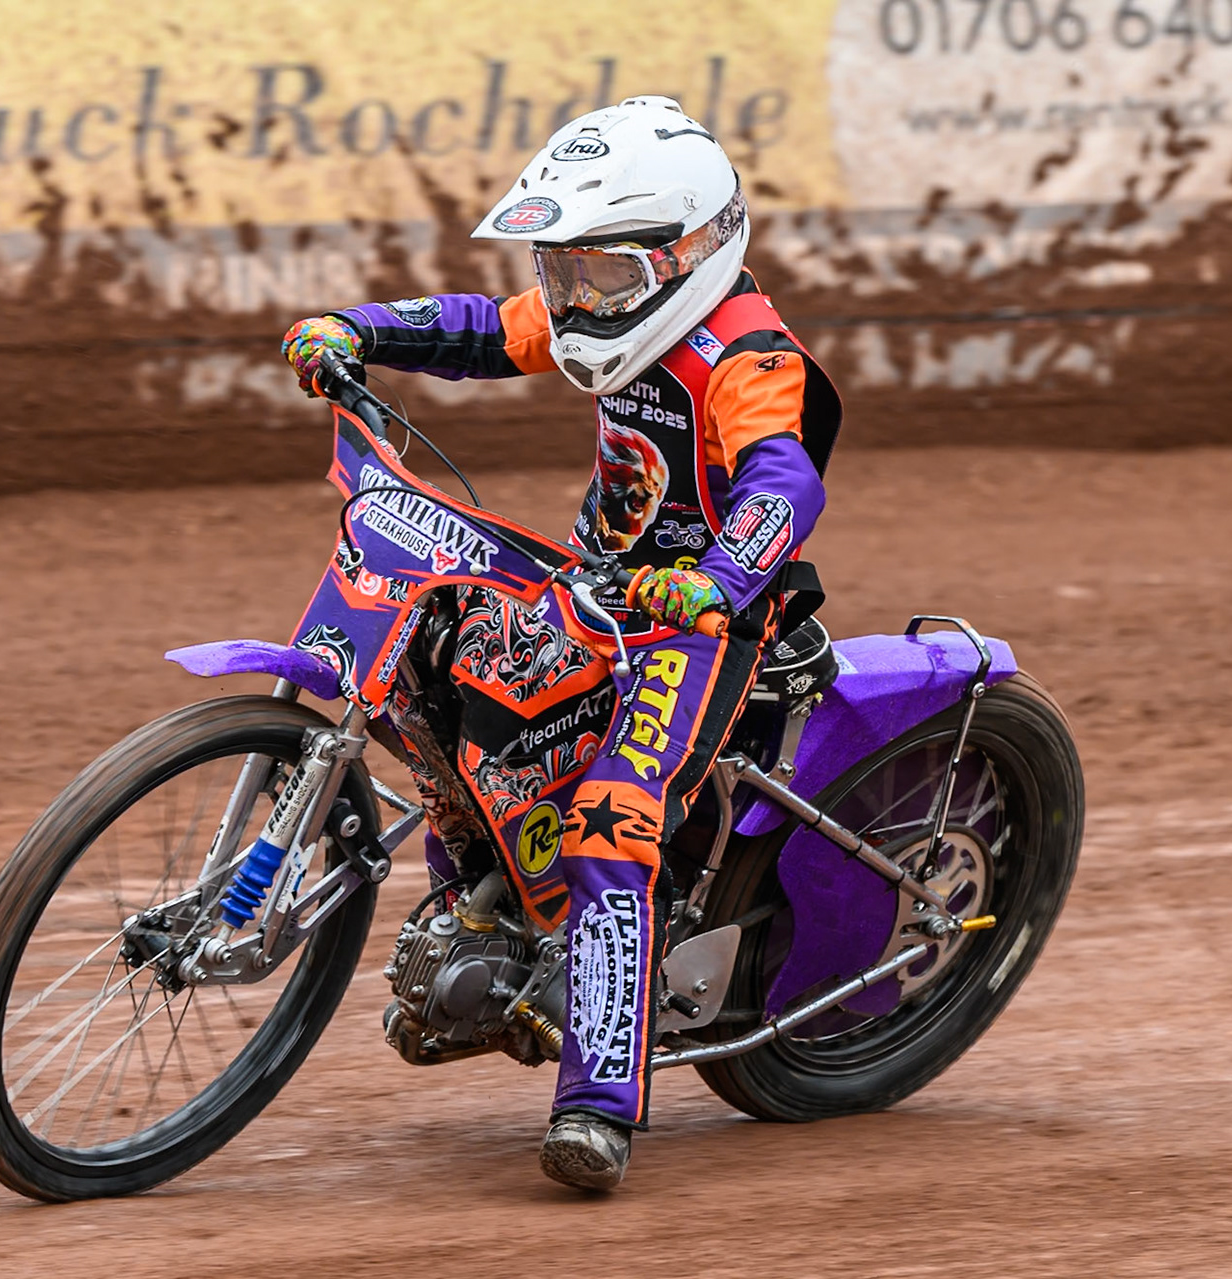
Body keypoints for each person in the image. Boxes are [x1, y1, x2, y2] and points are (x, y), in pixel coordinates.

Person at [280, 96, 840, 1190]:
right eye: (562, 272)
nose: (576, 304)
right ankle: (481, 920)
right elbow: (485, 330)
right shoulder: (607, 308)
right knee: (428, 674)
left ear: (692, 254)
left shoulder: (745, 356)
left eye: (601, 279)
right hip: (593, 577)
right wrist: (362, 329)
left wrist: (719, 579)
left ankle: (597, 1101)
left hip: (707, 615)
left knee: (609, 823)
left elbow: (783, 482)